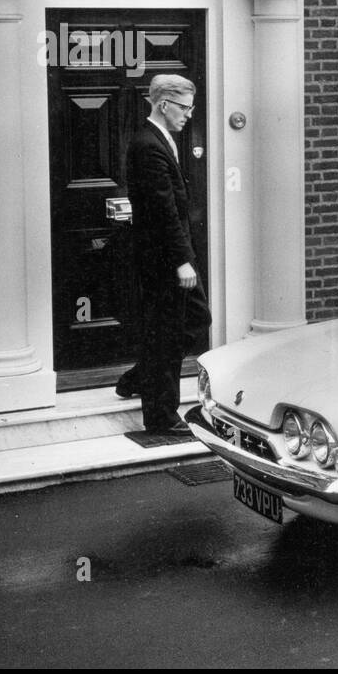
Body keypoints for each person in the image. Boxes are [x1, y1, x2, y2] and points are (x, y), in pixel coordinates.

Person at [120, 74, 210, 433]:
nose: (189, 115)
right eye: (185, 108)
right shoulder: (148, 145)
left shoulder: (162, 140)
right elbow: (163, 211)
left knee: (193, 320)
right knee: (168, 332)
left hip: (167, 256)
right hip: (163, 260)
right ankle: (161, 417)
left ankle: (140, 377)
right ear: (164, 105)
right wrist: (182, 260)